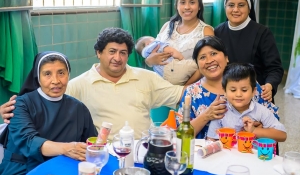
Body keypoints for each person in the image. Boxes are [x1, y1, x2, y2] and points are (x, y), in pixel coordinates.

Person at [0, 28, 184, 140]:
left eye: (123, 53)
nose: (117, 58)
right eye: (112, 51)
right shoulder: (78, 85)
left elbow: (182, 95)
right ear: (98, 53)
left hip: (144, 149)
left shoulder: (145, 78)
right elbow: (45, 104)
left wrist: (209, 81)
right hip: (105, 154)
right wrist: (11, 111)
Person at [0, 52, 97, 175]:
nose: (55, 81)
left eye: (61, 73)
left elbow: (92, 145)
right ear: (38, 77)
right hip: (20, 170)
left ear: (69, 75)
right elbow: (28, 141)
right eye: (47, 74)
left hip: (64, 171)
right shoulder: (21, 104)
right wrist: (67, 148)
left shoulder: (79, 109)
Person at [177, 36, 280, 139]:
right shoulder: (191, 93)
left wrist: (258, 129)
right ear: (198, 65)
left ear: (226, 57)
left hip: (247, 152)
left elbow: (274, 121)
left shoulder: (247, 83)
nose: (209, 61)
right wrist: (206, 115)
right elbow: (181, 135)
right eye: (202, 57)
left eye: (213, 53)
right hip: (206, 153)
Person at [214, 0, 284, 102]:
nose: (235, 9)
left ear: (249, 8)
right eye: (231, 5)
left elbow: (275, 68)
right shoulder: (217, 32)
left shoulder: (262, 33)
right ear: (225, 7)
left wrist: (269, 85)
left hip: (255, 95)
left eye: (241, 5)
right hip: (226, 96)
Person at [206, 63, 286, 142]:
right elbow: (211, 139)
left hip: (253, 154)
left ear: (253, 91)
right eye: (233, 90)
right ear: (225, 92)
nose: (238, 94)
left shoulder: (261, 111)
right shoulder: (221, 112)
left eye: (244, 90)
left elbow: (282, 135)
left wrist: (254, 130)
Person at [145, 0, 214, 68]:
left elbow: (207, 65)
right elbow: (153, 52)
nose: (187, 7)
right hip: (159, 78)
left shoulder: (206, 31)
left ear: (199, 6)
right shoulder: (167, 26)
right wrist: (148, 60)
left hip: (190, 80)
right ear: (176, 6)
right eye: (182, 2)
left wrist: (187, 82)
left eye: (192, 2)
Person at [135, 35, 200, 85]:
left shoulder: (147, 54)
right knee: (196, 65)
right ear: (148, 44)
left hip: (166, 79)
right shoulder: (156, 45)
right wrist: (182, 59)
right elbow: (171, 51)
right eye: (153, 39)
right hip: (173, 68)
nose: (155, 39)